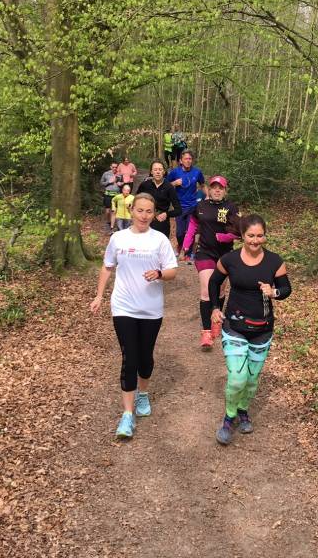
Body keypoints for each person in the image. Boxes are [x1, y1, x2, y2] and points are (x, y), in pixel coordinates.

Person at [90, 193, 179, 439]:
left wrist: (159, 274)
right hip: (123, 306)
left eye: (149, 211)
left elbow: (172, 271)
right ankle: (127, 415)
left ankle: (143, 394)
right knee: (129, 358)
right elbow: (107, 266)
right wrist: (99, 295)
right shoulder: (118, 238)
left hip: (151, 308)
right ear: (131, 210)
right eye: (140, 210)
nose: (144, 215)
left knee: (145, 357)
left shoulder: (159, 240)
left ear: (154, 213)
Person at [207, 214, 290, 445]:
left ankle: (243, 410)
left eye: (260, 235)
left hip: (263, 329)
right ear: (242, 236)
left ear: (265, 236)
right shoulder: (229, 259)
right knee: (237, 378)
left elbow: (286, 289)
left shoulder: (274, 261)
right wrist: (214, 308)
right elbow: (214, 282)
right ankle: (228, 418)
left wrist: (274, 292)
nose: (255, 240)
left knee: (252, 380)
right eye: (251, 235)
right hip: (234, 326)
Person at [180, 175, 240, 350]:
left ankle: (216, 320)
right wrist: (186, 245)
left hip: (225, 254)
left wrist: (224, 237)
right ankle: (206, 332)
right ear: (209, 189)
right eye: (214, 187)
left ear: (225, 190)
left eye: (220, 188)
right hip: (204, 252)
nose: (217, 190)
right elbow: (192, 225)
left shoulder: (231, 207)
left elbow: (239, 232)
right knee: (206, 291)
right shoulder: (201, 206)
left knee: (220, 290)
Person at [168, 150, 205, 253]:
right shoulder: (175, 172)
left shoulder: (197, 172)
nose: (188, 161)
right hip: (179, 207)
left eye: (190, 159)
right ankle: (180, 247)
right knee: (179, 233)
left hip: (193, 206)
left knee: (190, 231)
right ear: (181, 161)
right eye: (186, 159)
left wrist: (207, 197)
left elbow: (202, 185)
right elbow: (165, 185)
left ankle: (187, 252)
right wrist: (174, 183)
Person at [136, 161, 181, 241]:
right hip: (145, 221)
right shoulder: (144, 185)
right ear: (151, 172)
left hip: (161, 223)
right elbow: (136, 202)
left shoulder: (169, 187)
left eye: (160, 169)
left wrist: (166, 214)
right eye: (155, 169)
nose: (158, 172)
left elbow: (178, 210)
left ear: (164, 172)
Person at [99, 161, 121, 232]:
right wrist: (109, 182)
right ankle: (108, 222)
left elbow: (123, 183)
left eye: (116, 167)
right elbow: (101, 183)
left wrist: (121, 184)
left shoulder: (119, 174)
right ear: (110, 167)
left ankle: (112, 226)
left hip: (116, 195)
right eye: (113, 167)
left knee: (113, 211)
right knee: (108, 211)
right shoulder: (106, 174)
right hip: (108, 194)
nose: (115, 168)